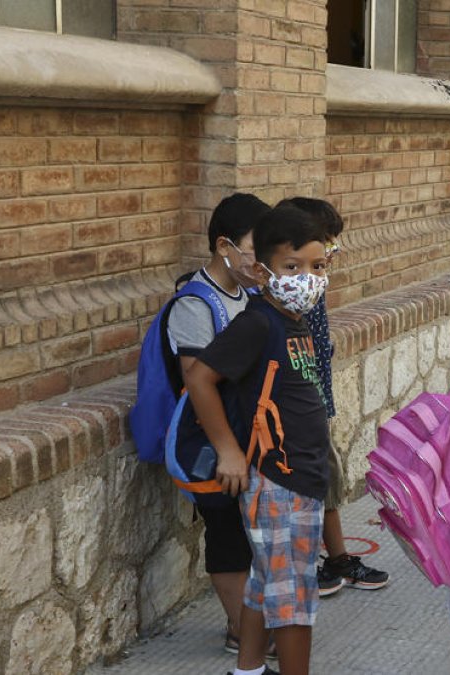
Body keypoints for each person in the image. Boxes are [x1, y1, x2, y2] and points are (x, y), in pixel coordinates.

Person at [185, 204, 335, 675]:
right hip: (280, 479)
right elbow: (200, 379)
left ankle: (247, 669)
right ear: (263, 268)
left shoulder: (294, 321)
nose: (306, 277)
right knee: (293, 600)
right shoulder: (257, 322)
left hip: (299, 478)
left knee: (266, 583)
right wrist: (228, 450)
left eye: (318, 266)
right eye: (292, 267)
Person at [165, 192, 269, 657]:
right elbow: (197, 382)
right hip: (211, 443)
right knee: (226, 530)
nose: (259, 257)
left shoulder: (247, 294)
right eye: (254, 246)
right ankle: (236, 629)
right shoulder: (194, 304)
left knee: (248, 533)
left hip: (246, 438)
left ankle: (250, 623)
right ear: (224, 246)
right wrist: (226, 450)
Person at [276, 197, 391, 598]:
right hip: (299, 404)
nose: (330, 257)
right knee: (318, 479)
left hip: (316, 400)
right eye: (327, 246)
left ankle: (336, 558)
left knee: (327, 476)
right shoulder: (288, 296)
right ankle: (325, 562)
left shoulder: (313, 286)